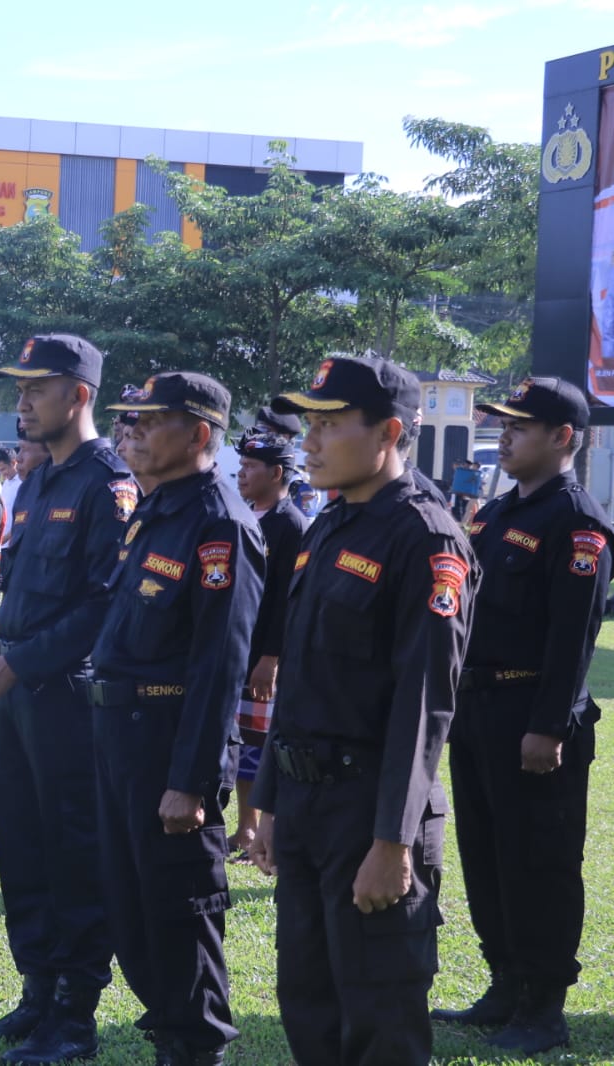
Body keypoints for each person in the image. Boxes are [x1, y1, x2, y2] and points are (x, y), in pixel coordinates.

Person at [248, 355, 479, 1066]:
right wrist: (270, 799)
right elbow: (301, 679)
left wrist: (393, 842)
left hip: (368, 807)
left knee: (378, 1015)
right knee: (308, 1003)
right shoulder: (330, 525)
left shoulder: (424, 537)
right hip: (305, 804)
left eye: (329, 424)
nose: (309, 440)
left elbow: (424, 704)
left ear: (388, 432)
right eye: (309, 424)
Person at [0, 336, 138, 1062]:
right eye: (20, 388)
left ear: (79, 395)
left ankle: (74, 1014)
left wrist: (18, 666)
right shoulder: (35, 482)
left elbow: (106, 604)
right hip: (15, 699)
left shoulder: (107, 484)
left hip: (67, 700)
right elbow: (15, 600)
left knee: (72, 854)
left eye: (37, 388)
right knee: (22, 850)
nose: (22, 401)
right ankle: (36, 993)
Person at [435, 376, 610, 1054]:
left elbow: (573, 636)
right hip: (479, 710)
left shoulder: (576, 521)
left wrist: (548, 724)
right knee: (486, 857)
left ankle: (543, 1008)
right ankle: (504, 984)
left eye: (518, 427)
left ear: (562, 437)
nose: (503, 437)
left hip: (531, 716)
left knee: (537, 862)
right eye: (502, 424)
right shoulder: (497, 512)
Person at [93, 371, 263, 1066]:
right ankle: (169, 1036)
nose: (130, 432)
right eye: (128, 420)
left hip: (168, 743)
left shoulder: (220, 523)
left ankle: (195, 1047)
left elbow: (219, 665)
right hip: (122, 736)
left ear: (197, 433)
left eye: (148, 420)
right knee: (132, 910)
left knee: (178, 912)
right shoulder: (156, 508)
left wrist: (190, 781)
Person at [229, 428, 308, 859]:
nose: (241, 473)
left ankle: (255, 827)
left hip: (263, 653)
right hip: (237, 649)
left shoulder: (289, 524)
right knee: (240, 740)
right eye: (240, 465)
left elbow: (284, 599)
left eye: (250, 466)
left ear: (276, 473)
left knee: (259, 743)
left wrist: (271, 658)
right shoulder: (244, 515)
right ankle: (244, 826)